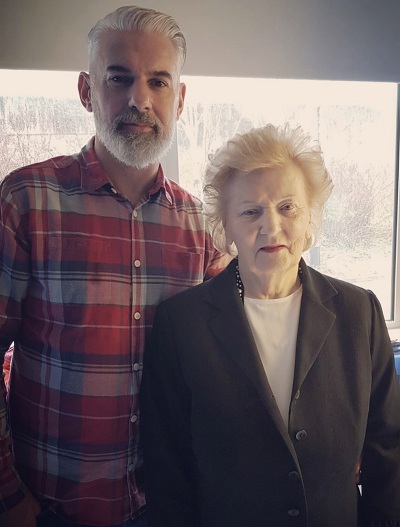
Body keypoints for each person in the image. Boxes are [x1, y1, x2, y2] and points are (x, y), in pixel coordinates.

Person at [0, 6, 227, 527]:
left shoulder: (202, 225)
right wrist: (9, 497)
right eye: (119, 78)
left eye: (158, 82)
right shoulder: (26, 200)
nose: (139, 100)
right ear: (86, 90)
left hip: (164, 507)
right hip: (46, 508)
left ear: (180, 99)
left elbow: (232, 359)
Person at [140, 123, 400, 527]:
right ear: (225, 226)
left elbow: (389, 454)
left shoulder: (359, 312)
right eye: (250, 211)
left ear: (310, 217)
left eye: (288, 207)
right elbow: (167, 473)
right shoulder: (182, 324)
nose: (271, 227)